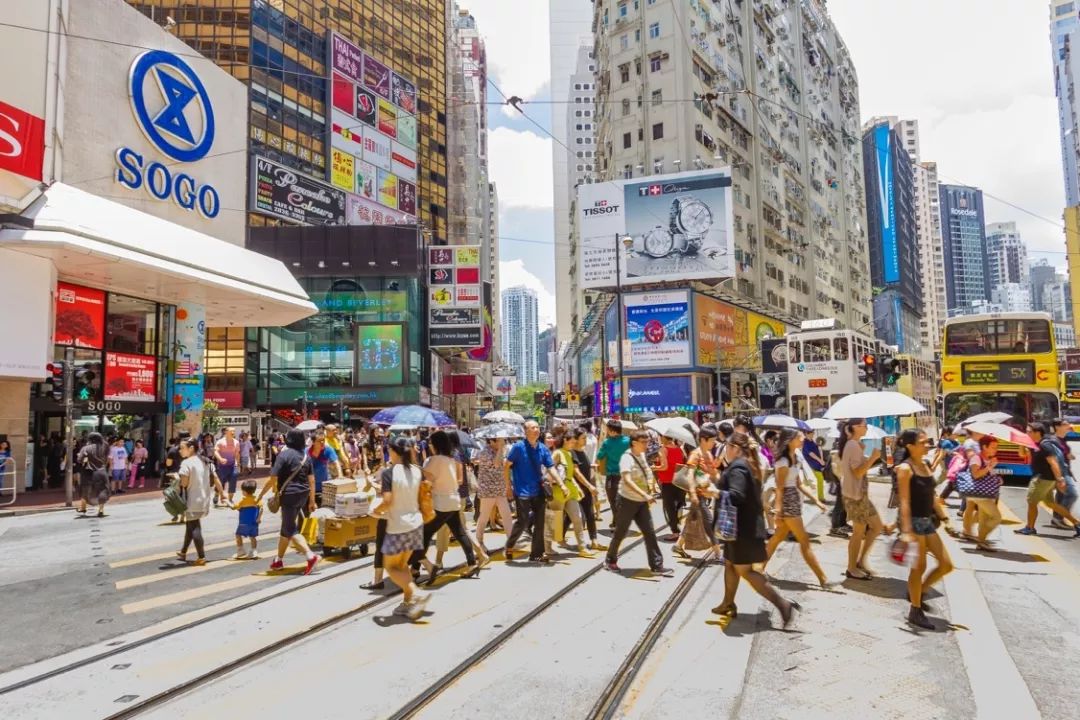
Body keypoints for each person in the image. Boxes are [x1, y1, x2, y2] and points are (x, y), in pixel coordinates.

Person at [713, 432, 799, 626]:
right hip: (744, 527)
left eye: (727, 446)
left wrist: (716, 492)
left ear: (735, 448)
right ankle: (728, 603)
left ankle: (783, 605)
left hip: (742, 530)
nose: (726, 450)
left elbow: (736, 495)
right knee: (729, 564)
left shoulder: (738, 468)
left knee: (746, 571)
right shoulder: (746, 465)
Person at [894, 429, 954, 629]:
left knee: (946, 564)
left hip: (927, 521)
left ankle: (917, 592)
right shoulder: (904, 468)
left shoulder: (927, 464)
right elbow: (903, 501)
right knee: (918, 567)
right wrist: (906, 530)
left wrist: (946, 518)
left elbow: (933, 495)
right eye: (922, 442)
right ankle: (915, 609)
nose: (927, 444)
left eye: (928, 441)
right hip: (913, 521)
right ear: (910, 446)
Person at [410, 431, 484, 582]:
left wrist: (413, 462)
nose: (429, 446)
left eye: (430, 443)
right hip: (453, 501)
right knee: (459, 532)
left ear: (436, 444)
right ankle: (471, 563)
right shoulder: (450, 459)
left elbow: (426, 481)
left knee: (423, 535)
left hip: (440, 504)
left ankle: (418, 568)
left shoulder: (432, 460)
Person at [370, 435, 430, 620]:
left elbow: (387, 501)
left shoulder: (390, 473)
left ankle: (416, 593)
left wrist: (375, 510)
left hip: (398, 526)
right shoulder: (417, 471)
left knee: (391, 567)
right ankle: (407, 603)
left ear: (394, 451)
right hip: (416, 524)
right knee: (402, 565)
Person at [762, 429, 830, 588]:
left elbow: (798, 484)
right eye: (799, 437)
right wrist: (778, 511)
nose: (802, 439)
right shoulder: (782, 462)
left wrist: (816, 500)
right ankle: (823, 578)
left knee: (777, 538)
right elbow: (780, 488)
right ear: (790, 440)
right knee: (804, 541)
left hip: (793, 499)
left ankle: (759, 568)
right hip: (787, 501)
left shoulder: (795, 458)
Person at [604, 431, 673, 577]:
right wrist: (645, 494)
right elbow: (627, 480)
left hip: (641, 502)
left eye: (647, 442)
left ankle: (656, 565)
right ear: (634, 443)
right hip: (626, 500)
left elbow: (652, 471)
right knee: (620, 532)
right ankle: (610, 560)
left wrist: (651, 484)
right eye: (644, 442)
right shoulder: (626, 458)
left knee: (650, 532)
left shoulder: (642, 455)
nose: (646, 445)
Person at [256, 429, 321, 574]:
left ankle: (310, 556)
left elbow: (272, 479)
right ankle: (278, 560)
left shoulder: (283, 455)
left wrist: (260, 495)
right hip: (303, 494)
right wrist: (312, 500)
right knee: (286, 527)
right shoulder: (306, 456)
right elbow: (312, 480)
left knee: (290, 529)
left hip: (289, 495)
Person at [505, 420, 565, 563]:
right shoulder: (518, 448)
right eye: (533, 427)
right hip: (521, 491)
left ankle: (536, 554)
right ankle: (510, 544)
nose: (537, 430)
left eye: (538, 427)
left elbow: (550, 467)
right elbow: (506, 466)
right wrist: (508, 486)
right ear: (525, 431)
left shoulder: (543, 448)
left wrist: (561, 484)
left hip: (538, 490)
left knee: (540, 522)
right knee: (523, 520)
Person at [1015, 422, 1080, 537]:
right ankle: (1077, 523)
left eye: (1029, 431)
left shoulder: (1045, 445)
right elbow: (1022, 455)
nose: (1026, 433)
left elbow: (1053, 462)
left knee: (1031, 502)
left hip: (1043, 479)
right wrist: (1021, 444)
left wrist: (1060, 479)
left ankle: (1030, 527)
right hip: (1044, 478)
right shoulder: (1033, 444)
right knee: (1050, 503)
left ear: (1037, 432)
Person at [838, 418, 883, 579]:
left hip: (859, 494)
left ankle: (861, 561)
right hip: (855, 495)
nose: (866, 427)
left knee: (877, 526)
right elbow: (857, 472)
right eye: (863, 425)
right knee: (858, 532)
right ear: (854, 428)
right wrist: (872, 458)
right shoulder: (852, 445)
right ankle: (851, 568)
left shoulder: (854, 444)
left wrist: (865, 455)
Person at [673, 425, 722, 562]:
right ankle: (718, 554)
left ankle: (678, 545)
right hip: (698, 495)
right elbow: (689, 475)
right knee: (709, 522)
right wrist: (693, 494)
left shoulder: (709, 454)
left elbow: (713, 474)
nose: (714, 443)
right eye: (712, 440)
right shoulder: (696, 454)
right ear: (703, 440)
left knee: (691, 520)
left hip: (705, 494)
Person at [550, 429, 592, 557]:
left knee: (577, 518)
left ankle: (582, 547)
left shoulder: (569, 453)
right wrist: (560, 484)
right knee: (557, 519)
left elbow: (570, 473)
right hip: (558, 490)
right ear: (565, 440)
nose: (574, 444)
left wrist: (576, 486)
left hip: (570, 491)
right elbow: (549, 469)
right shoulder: (557, 453)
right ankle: (551, 546)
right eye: (572, 442)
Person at [960, 436, 1003, 550]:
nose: (995, 450)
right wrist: (989, 467)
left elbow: (990, 474)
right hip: (978, 494)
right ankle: (981, 538)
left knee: (983, 520)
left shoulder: (988, 458)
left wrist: (997, 478)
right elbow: (976, 475)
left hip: (986, 493)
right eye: (993, 447)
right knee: (996, 517)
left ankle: (982, 543)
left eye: (996, 447)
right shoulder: (976, 458)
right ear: (984, 447)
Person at [176, 438, 213, 566]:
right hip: (204, 497)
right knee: (190, 526)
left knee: (195, 527)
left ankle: (201, 556)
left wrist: (177, 478)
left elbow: (184, 483)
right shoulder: (204, 460)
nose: (180, 450)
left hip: (192, 499)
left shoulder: (186, 463)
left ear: (191, 448)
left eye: (182, 448)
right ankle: (183, 551)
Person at [474, 436, 514, 553]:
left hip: (499, 489)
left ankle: (510, 541)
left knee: (506, 515)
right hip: (487, 490)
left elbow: (503, 466)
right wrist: (501, 448)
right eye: (499, 441)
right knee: (484, 517)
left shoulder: (500, 450)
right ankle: (479, 541)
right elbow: (496, 464)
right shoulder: (484, 452)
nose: (502, 443)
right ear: (491, 441)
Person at [569, 428, 604, 551]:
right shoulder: (572, 452)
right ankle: (560, 538)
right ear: (576, 439)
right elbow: (576, 471)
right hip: (576, 489)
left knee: (589, 514)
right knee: (572, 517)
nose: (586, 440)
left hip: (586, 488)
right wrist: (589, 486)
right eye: (583, 438)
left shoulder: (582, 451)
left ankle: (594, 541)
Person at [595, 419, 630, 524]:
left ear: (611, 430)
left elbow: (599, 456)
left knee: (613, 500)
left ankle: (617, 520)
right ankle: (618, 520)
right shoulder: (628, 441)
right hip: (626, 475)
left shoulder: (607, 442)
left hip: (612, 476)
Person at [653, 434, 687, 540]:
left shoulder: (663, 449)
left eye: (660, 436)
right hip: (679, 481)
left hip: (668, 482)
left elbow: (664, 467)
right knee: (678, 506)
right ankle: (678, 527)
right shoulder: (680, 449)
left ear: (663, 437)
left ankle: (675, 532)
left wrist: (654, 467)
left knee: (669, 507)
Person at [1050, 419, 1078, 529]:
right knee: (1072, 494)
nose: (1069, 426)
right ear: (1057, 427)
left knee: (1061, 495)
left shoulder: (1062, 439)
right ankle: (1059, 518)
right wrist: (1059, 477)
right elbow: (1053, 458)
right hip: (1061, 471)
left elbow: (1064, 454)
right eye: (1065, 424)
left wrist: (1069, 456)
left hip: (1065, 470)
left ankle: (1057, 518)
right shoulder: (1053, 440)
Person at [76, 433, 110, 517]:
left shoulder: (86, 448)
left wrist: (83, 458)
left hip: (89, 472)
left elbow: (79, 460)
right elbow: (106, 458)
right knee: (102, 490)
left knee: (85, 489)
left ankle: (83, 507)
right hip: (101, 471)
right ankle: (101, 510)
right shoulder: (105, 446)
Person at [231, 479, 262, 559]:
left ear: (245, 491)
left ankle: (240, 550)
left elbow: (234, 507)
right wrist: (259, 518)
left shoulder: (243, 501)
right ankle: (254, 551)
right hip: (254, 522)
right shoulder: (257, 499)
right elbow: (261, 508)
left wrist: (227, 502)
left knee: (238, 535)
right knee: (252, 537)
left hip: (244, 522)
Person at [307, 431, 339, 510]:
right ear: (313, 442)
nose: (322, 442)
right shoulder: (306, 452)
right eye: (319, 441)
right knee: (307, 518)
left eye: (323, 440)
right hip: (308, 490)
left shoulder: (328, 450)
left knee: (323, 515)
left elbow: (336, 463)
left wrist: (340, 475)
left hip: (323, 489)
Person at [214, 427, 241, 504]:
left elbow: (237, 454)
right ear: (226, 432)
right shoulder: (220, 442)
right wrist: (220, 459)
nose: (233, 432)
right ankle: (216, 494)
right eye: (231, 431)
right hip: (222, 467)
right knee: (221, 482)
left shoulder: (236, 442)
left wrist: (237, 463)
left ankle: (230, 499)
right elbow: (215, 452)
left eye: (234, 431)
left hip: (232, 466)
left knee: (233, 481)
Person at [802, 432, 828, 502]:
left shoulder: (812, 441)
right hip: (812, 464)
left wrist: (821, 459)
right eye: (810, 433)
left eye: (813, 433)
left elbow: (818, 451)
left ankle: (820, 497)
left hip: (816, 464)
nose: (812, 434)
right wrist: (820, 460)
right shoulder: (806, 443)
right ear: (806, 434)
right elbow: (811, 454)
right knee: (820, 479)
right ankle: (820, 498)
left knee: (820, 479)